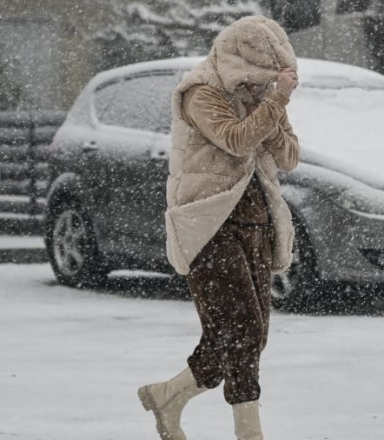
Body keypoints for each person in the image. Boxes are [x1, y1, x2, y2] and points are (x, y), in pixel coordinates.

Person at [137, 15, 300, 440]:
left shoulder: (262, 99)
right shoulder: (200, 94)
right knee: (241, 329)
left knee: (245, 335)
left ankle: (168, 395)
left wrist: (274, 110)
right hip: (208, 225)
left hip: (256, 223)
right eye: (252, 81)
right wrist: (274, 103)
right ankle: (249, 432)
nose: (256, 88)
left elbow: (289, 157)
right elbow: (234, 139)